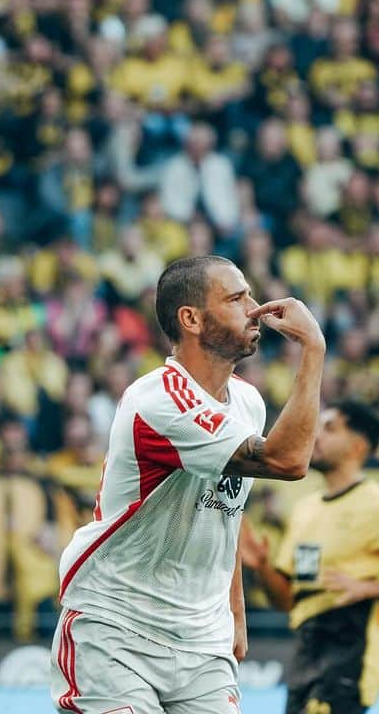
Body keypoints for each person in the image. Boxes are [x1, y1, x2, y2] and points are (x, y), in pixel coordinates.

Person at [51, 255, 326, 714]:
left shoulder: (248, 402)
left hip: (201, 639)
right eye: (237, 298)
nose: (255, 308)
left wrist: (234, 612)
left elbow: (228, 511)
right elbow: (288, 460)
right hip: (116, 628)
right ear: (191, 319)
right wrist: (313, 349)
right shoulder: (159, 400)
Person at [241, 401, 379, 714]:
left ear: (358, 445)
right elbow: (286, 601)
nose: (317, 436)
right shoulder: (304, 510)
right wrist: (262, 568)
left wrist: (367, 589)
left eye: (330, 428)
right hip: (307, 646)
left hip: (351, 643)